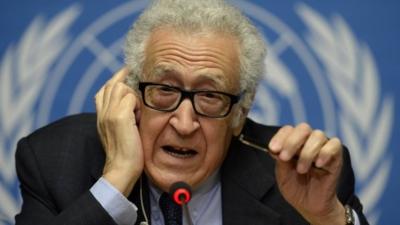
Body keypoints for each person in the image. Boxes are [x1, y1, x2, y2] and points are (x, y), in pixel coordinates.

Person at [14, 0, 368, 225]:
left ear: (239, 113)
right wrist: (116, 179)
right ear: (129, 95)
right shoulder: (54, 160)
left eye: (210, 96)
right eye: (165, 90)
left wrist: (330, 220)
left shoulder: (299, 175)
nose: (184, 124)